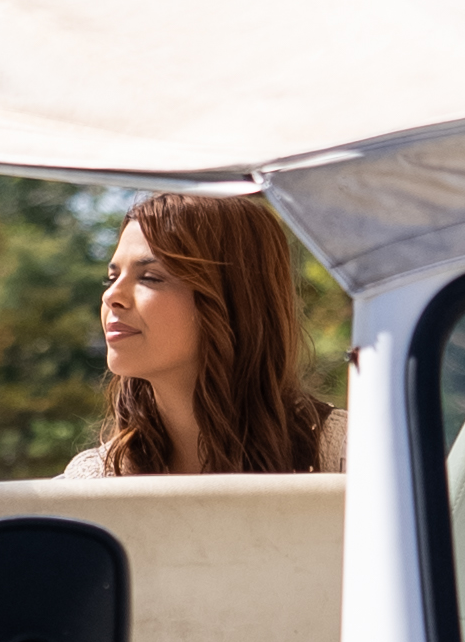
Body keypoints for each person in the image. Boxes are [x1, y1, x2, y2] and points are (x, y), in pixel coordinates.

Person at [70, 190, 347, 478]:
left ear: (234, 298)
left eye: (150, 278)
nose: (111, 296)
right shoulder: (92, 479)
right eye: (112, 277)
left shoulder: (348, 455)